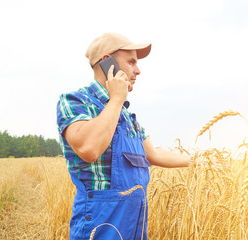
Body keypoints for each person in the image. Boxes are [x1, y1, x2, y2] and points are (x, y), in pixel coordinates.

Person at [56, 33, 192, 240]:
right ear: (106, 62)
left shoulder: (128, 117)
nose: (138, 70)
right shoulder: (75, 101)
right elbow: (88, 148)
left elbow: (153, 154)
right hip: (99, 228)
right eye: (131, 62)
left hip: (133, 226)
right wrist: (117, 98)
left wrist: (198, 161)